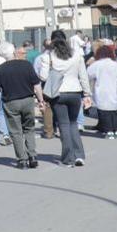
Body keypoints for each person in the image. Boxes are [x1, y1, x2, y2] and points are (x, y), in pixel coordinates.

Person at [38, 31, 89, 166]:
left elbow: (43, 77)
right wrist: (87, 94)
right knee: (73, 124)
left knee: (64, 125)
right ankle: (79, 155)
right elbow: (83, 76)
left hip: (57, 93)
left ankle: (68, 157)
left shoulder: (48, 56)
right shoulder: (76, 55)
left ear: (52, 41)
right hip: (75, 92)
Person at [0, 43, 42, 168]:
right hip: (27, 99)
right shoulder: (26, 65)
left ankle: (22, 159)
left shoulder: (0, 69)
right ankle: (33, 156)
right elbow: (36, 84)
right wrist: (40, 100)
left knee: (16, 131)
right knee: (29, 128)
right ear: (14, 53)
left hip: (10, 102)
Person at [86, 43, 117, 138]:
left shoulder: (97, 64)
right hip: (116, 90)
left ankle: (108, 131)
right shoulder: (116, 64)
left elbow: (88, 74)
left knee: (105, 112)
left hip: (103, 91)